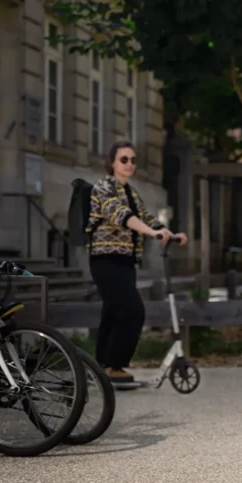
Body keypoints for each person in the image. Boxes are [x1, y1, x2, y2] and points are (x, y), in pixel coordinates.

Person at [88, 142, 188, 389]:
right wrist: (152, 233)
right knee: (133, 311)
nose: (130, 164)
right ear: (112, 163)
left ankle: (102, 367)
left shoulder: (131, 192)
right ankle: (115, 366)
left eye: (133, 160)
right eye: (124, 159)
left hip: (125, 261)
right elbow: (122, 216)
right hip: (105, 260)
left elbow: (146, 218)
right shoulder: (103, 187)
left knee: (112, 313)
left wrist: (167, 232)